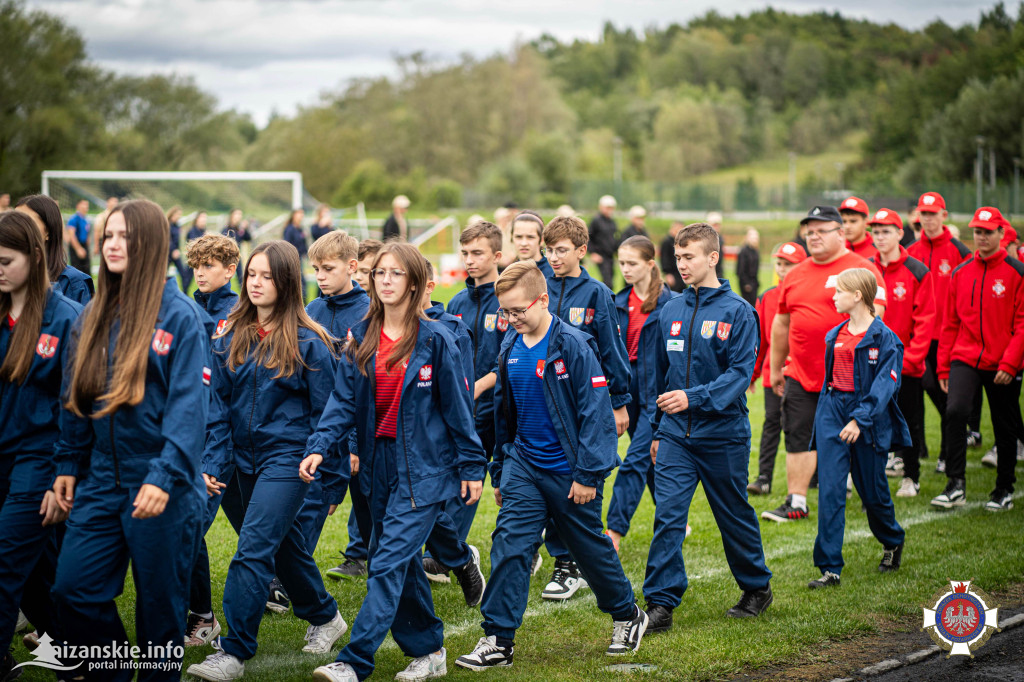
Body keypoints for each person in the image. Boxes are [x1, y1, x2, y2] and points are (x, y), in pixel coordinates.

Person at [302, 242, 486, 682]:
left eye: (395, 274)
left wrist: (472, 465)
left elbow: (458, 410)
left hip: (424, 469)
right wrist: (318, 445)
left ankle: (354, 660)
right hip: (376, 465)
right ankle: (429, 650)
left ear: (415, 283)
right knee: (400, 565)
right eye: (379, 273)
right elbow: (342, 402)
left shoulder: (438, 339)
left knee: (383, 563)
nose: (385, 280)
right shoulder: (361, 337)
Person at [455, 261, 649, 671]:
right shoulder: (510, 345)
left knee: (589, 550)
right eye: (504, 312)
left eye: (517, 311)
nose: (510, 319)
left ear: (542, 300)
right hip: (523, 464)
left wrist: (588, 475)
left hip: (570, 471)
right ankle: (497, 640)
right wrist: (500, 467)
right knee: (509, 546)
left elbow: (596, 414)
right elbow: (502, 412)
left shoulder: (574, 345)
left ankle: (628, 615)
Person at [52, 199, 211, 681]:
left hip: (164, 482)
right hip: (101, 478)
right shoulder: (92, 313)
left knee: (159, 613)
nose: (114, 245)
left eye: (125, 236)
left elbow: (189, 409)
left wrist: (163, 476)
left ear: (152, 244)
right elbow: (77, 398)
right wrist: (67, 464)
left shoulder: (182, 317)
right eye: (108, 236)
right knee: (71, 589)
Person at [188, 241, 346, 681]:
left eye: (266, 276)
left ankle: (234, 652)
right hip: (237, 460)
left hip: (288, 460)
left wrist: (326, 472)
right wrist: (213, 464)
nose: (256, 283)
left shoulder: (310, 342)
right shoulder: (228, 334)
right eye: (251, 275)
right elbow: (216, 408)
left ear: (287, 282)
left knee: (252, 549)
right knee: (280, 546)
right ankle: (325, 615)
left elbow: (328, 413)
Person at [643, 222, 773, 633]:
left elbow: (740, 374)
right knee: (668, 515)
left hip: (723, 434)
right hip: (676, 436)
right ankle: (660, 603)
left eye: (690, 257)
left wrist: (694, 397)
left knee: (732, 514)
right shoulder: (670, 310)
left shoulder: (738, 311)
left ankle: (757, 588)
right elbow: (659, 379)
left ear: (713, 258)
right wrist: (657, 430)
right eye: (678, 257)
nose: (681, 264)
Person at [761, 206, 886, 523]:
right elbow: (781, 323)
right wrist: (776, 368)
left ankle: (871, 498)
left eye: (821, 230)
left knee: (859, 441)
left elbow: (879, 315)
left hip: (850, 379)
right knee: (797, 435)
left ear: (841, 233)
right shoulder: (797, 273)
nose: (813, 236)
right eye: (809, 231)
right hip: (802, 374)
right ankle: (797, 502)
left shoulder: (861, 268)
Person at [0, 210, 83, 680]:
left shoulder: (67, 318)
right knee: (34, 580)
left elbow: (76, 406)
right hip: (2, 456)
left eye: (5, 260)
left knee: (6, 562)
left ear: (34, 257)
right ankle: (78, 657)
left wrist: (62, 476)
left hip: (41, 460)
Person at [540, 214, 632, 600]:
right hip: (541, 400)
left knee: (578, 481)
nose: (554, 257)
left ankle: (570, 563)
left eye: (561, 250)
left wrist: (620, 402)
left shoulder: (596, 293)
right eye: (549, 251)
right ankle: (558, 556)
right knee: (544, 480)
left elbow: (613, 351)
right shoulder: (538, 286)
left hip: (583, 403)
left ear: (582, 250)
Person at [809, 268, 909, 590]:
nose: (833, 296)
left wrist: (859, 419)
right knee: (831, 490)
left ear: (857, 296)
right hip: (832, 411)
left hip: (867, 417)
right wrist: (831, 413)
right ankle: (829, 569)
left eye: (839, 291)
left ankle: (892, 539)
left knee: (872, 491)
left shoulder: (886, 339)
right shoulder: (834, 333)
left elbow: (884, 387)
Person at [932, 207, 1024, 512]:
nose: (981, 237)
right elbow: (950, 323)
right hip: (964, 358)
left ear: (1001, 234)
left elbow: (1022, 324)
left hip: (1002, 363)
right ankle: (955, 484)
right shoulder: (960, 273)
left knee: (1004, 424)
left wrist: (1010, 363)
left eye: (988, 232)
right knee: (955, 411)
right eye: (977, 232)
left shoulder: (1017, 273)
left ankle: (1004, 488)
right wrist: (944, 365)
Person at [182, 233, 242, 647]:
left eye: (209, 264)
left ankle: (202, 618)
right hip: (191, 433)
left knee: (184, 528)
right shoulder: (187, 307)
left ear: (229, 269)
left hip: (224, 440)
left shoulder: (240, 311)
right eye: (196, 265)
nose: (201, 272)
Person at [307, 232, 373, 584]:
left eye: (328, 268)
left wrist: (352, 446)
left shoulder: (369, 313)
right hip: (318, 432)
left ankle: (382, 569)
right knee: (308, 506)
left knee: (369, 513)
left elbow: (364, 388)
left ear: (352, 266)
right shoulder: (312, 311)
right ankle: (283, 581)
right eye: (316, 268)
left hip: (362, 435)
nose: (319, 276)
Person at [606, 235, 674, 551]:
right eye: (621, 263)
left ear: (650, 263)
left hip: (656, 392)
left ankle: (614, 533)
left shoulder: (671, 304)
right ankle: (674, 517)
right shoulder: (617, 300)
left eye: (632, 263)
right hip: (625, 391)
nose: (625, 269)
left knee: (634, 460)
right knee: (646, 457)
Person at [439, 221, 505, 548]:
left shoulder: (509, 300)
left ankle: (528, 546)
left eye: (477, 253)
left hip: (505, 407)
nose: (469, 260)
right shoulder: (455, 304)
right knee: (462, 474)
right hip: (464, 408)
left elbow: (510, 358)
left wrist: (479, 385)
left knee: (508, 485)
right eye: (465, 253)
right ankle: (446, 551)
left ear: (497, 255)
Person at [868, 209, 935, 498]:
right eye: (876, 231)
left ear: (899, 234)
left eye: (886, 231)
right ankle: (872, 480)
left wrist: (910, 359)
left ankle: (912, 476)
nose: (880, 237)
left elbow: (925, 319)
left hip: (905, 364)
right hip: (871, 363)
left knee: (909, 420)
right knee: (872, 421)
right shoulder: (865, 269)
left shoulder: (917, 271)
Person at [906, 192, 972, 474]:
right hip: (919, 334)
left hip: (948, 337)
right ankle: (914, 449)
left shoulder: (959, 250)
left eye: (933, 214)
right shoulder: (910, 250)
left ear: (944, 216)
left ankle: (948, 451)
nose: (928, 219)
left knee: (943, 395)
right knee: (916, 394)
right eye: (924, 214)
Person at [747, 242, 807, 495]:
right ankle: (763, 478)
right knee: (772, 422)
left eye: (789, 265)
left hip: (803, 373)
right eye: (780, 264)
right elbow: (760, 339)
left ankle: (812, 476)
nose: (783, 270)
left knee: (802, 426)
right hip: (775, 371)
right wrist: (754, 373)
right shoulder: (768, 297)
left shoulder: (809, 292)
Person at [14, 194, 94, 305]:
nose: (17, 229)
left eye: (27, 223)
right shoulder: (7, 277)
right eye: (14, 222)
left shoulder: (73, 283)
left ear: (48, 231)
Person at [588, 195, 619, 289]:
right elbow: (588, 237)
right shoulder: (596, 221)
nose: (610, 210)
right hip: (601, 255)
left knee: (612, 279)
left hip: (610, 256)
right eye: (607, 207)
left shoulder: (612, 222)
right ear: (601, 207)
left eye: (611, 208)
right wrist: (593, 253)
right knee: (607, 282)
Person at [510, 210, 553, 276]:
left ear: (541, 240)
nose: (524, 243)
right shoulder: (508, 273)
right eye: (518, 237)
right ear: (512, 238)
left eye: (530, 237)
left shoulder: (553, 273)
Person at [283, 208, 310, 303]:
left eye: (302, 214)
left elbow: (304, 244)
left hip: (299, 259)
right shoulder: (289, 229)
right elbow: (286, 244)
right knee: (296, 281)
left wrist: (307, 255)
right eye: (299, 214)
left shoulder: (300, 229)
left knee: (302, 282)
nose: (301, 216)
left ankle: (304, 304)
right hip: (292, 259)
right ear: (294, 215)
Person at [840, 196, 878, 261]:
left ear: (866, 222)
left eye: (853, 221)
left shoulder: (879, 250)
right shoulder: (835, 250)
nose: (847, 226)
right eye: (844, 221)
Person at [222, 208, 252, 287]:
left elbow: (248, 238)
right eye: (237, 214)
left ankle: (243, 296)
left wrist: (245, 229)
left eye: (240, 215)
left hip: (237, 256)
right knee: (225, 277)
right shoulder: (226, 229)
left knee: (240, 278)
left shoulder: (240, 229)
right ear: (232, 216)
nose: (239, 217)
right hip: (227, 257)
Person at [66, 198, 91, 275]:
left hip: (84, 245)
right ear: (78, 206)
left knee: (87, 269)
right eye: (84, 204)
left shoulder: (86, 219)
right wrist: (78, 249)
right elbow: (72, 235)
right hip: (76, 246)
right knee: (77, 270)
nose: (86, 206)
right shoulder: (74, 219)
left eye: (87, 205)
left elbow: (87, 234)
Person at [166, 206, 188, 291]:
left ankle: (184, 294)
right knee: (162, 274)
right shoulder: (167, 224)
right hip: (168, 254)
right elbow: (167, 240)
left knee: (183, 274)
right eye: (178, 214)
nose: (179, 216)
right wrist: (173, 250)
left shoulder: (177, 226)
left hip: (176, 253)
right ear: (172, 214)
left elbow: (177, 241)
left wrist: (178, 250)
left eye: (180, 214)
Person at [736, 228, 760, 306]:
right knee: (747, 305)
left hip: (754, 283)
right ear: (748, 238)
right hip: (746, 284)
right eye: (753, 238)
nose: (755, 240)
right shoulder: (743, 251)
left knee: (753, 305)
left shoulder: (756, 251)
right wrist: (745, 283)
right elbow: (740, 269)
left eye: (756, 238)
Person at [660, 221, 685, 292]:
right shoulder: (667, 241)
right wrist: (668, 273)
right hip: (672, 273)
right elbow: (664, 258)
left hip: (680, 271)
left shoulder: (679, 241)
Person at [705, 211, 727, 280]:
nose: (717, 227)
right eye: (715, 225)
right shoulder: (705, 239)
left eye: (718, 225)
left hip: (718, 272)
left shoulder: (720, 238)